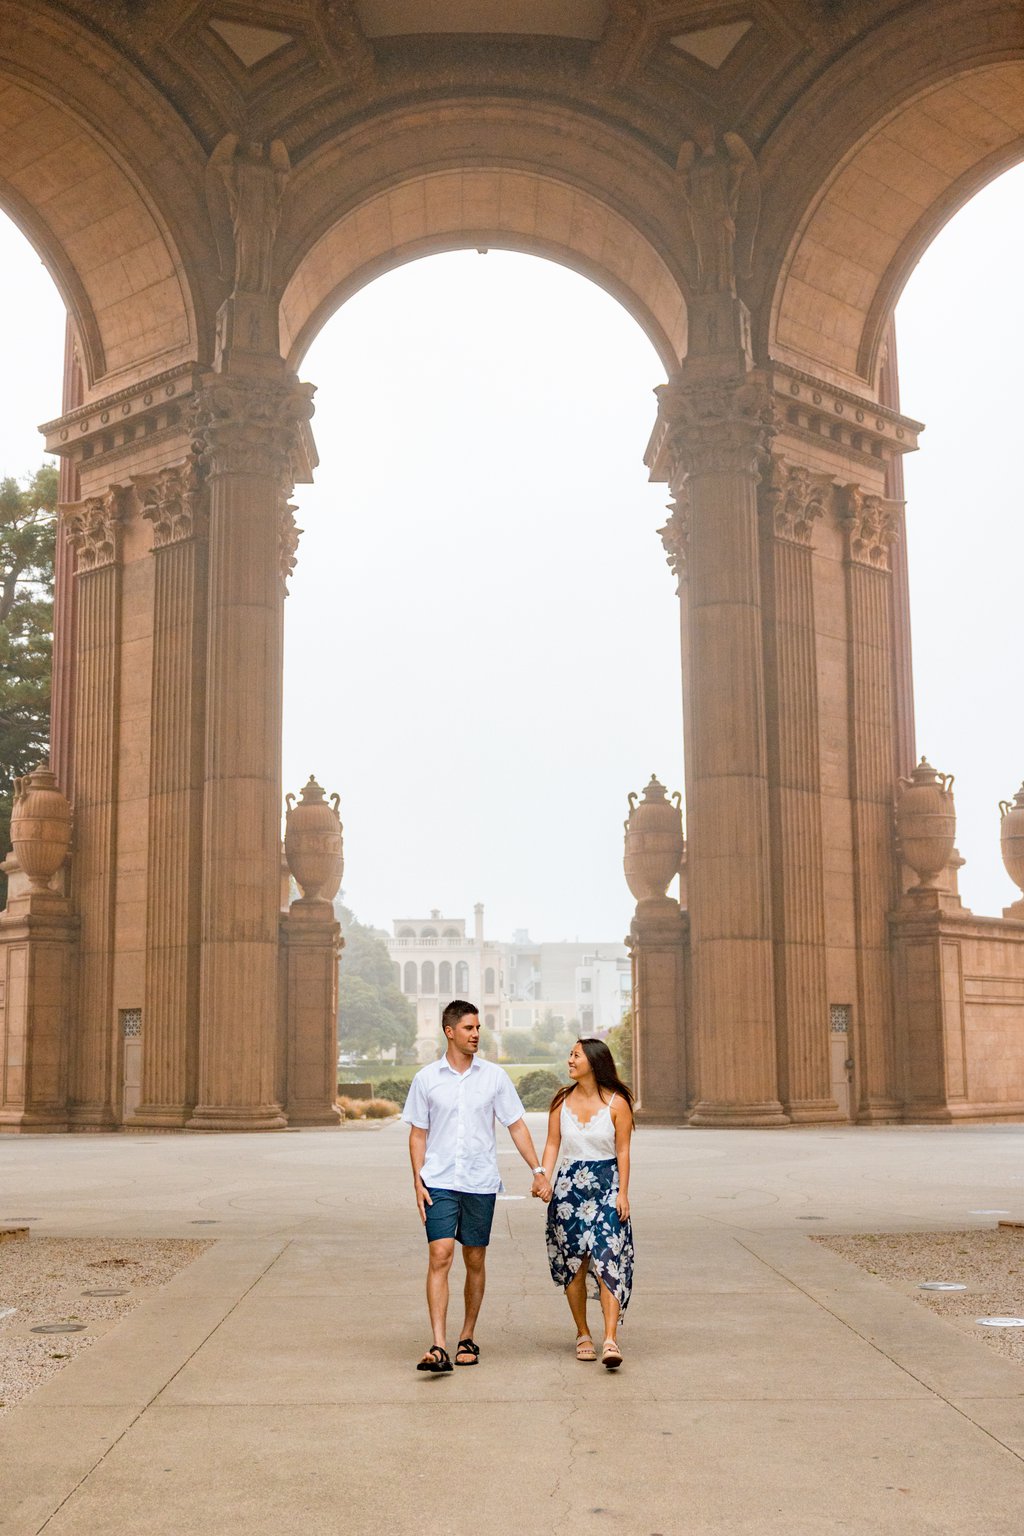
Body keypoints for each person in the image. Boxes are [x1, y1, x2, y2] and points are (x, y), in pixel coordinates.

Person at [403, 998, 551, 1373]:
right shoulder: (426, 1079)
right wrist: (417, 1180)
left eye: (478, 1028)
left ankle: (467, 1335)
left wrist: (537, 1169)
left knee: (474, 1258)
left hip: (480, 1181)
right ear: (449, 1031)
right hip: (438, 1180)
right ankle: (438, 1345)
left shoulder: (494, 1077)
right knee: (440, 1255)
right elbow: (418, 1134)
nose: (476, 1034)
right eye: (469, 1028)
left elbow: (516, 1124)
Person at [536, 1037, 635, 1369]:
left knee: (608, 1258)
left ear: (594, 1061)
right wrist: (543, 1177)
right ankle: (582, 1333)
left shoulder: (617, 1103)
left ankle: (610, 1340)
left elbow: (623, 1151)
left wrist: (623, 1193)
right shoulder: (560, 1101)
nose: (570, 1060)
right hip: (568, 1191)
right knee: (574, 1265)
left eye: (576, 1055)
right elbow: (552, 1144)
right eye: (570, 1055)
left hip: (607, 1187)